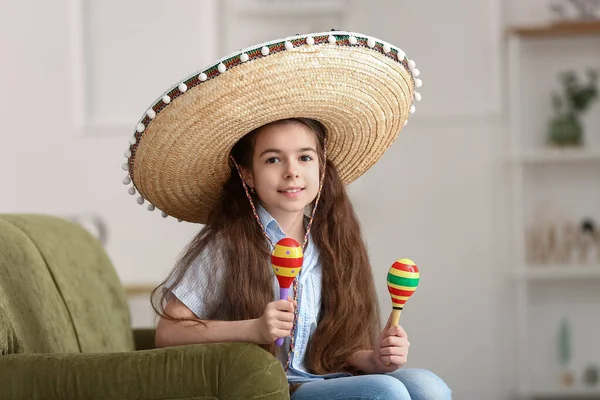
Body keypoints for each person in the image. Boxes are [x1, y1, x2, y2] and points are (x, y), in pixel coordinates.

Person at [122, 30, 451, 399]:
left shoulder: (334, 241)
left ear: (322, 167)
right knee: (385, 393)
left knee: (427, 386)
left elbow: (333, 354)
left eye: (305, 157)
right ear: (247, 173)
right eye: (273, 159)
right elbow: (169, 332)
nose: (292, 171)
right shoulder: (227, 245)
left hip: (326, 380)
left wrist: (375, 358)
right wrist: (254, 329)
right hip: (272, 388)